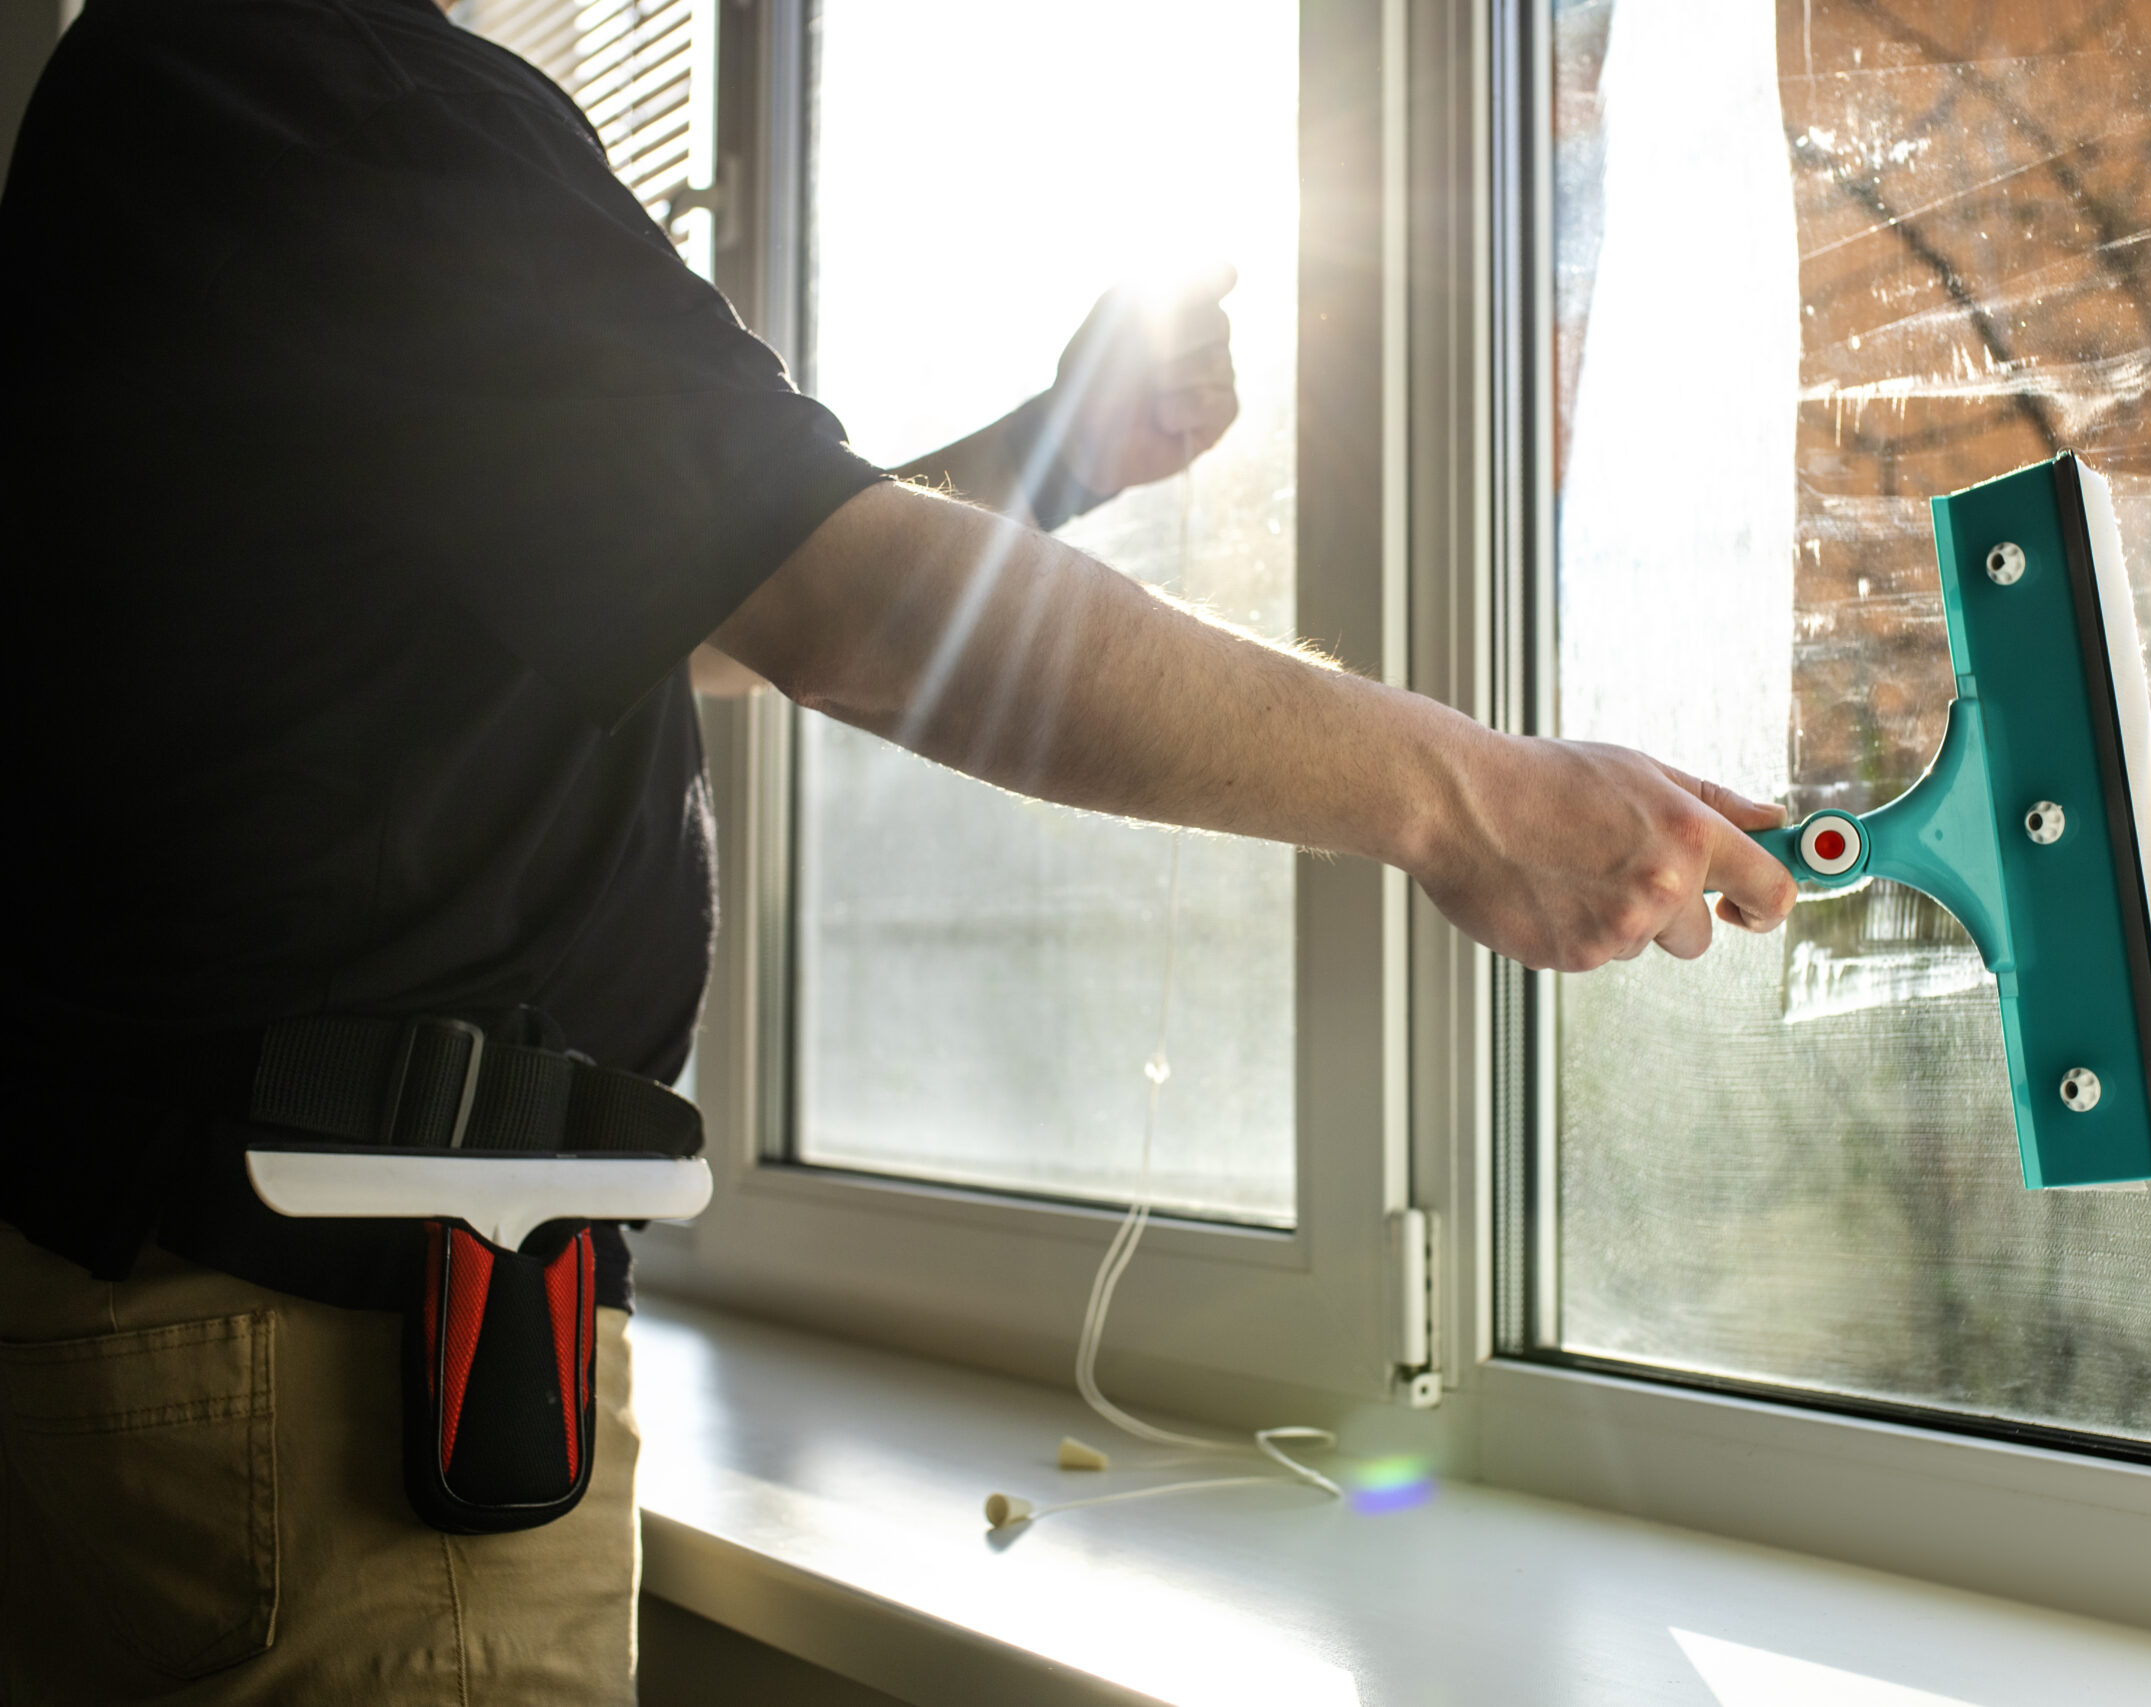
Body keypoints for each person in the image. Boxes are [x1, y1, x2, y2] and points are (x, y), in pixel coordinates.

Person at [0, 0, 1797, 1696]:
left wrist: (1048, 455)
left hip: (251, 1330)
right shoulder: (328, 93)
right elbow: (834, 598)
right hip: (325, 1370)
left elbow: (681, 606)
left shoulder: (198, 93)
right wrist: (1478, 800)